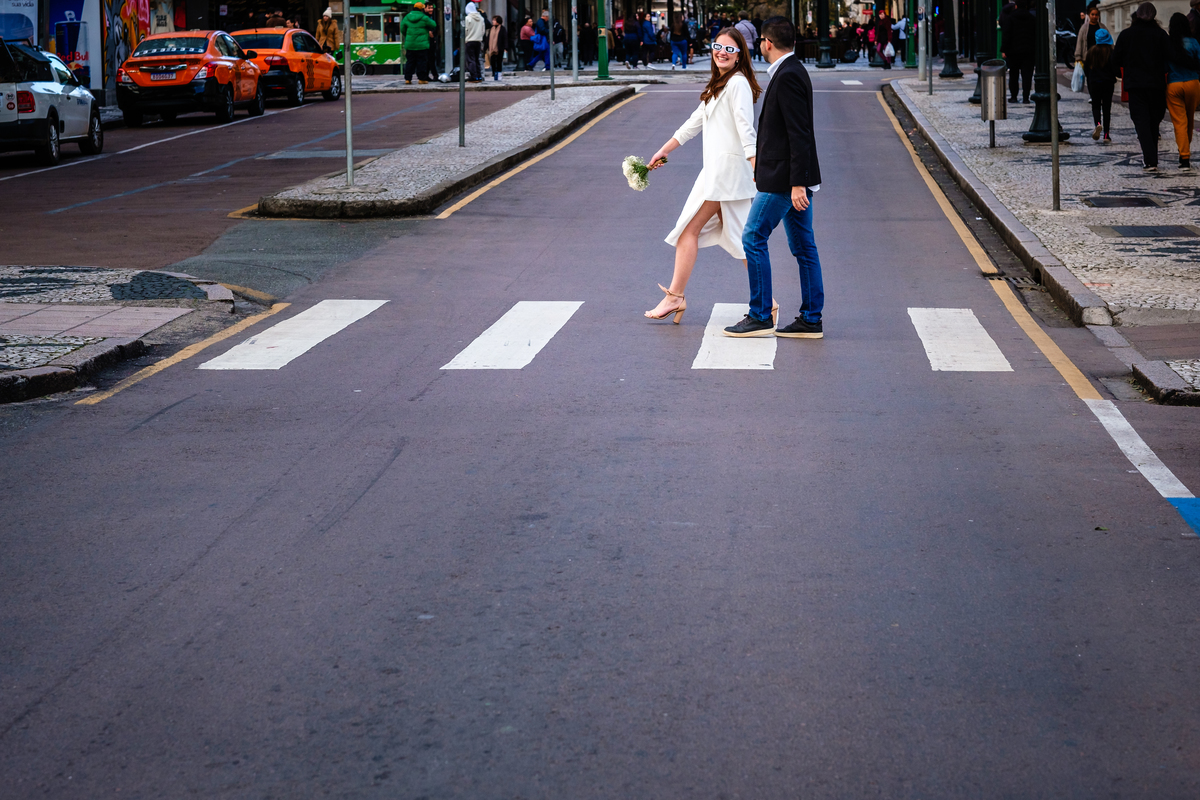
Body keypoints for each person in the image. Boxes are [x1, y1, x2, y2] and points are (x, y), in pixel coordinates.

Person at [641, 28, 761, 323]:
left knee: (690, 232)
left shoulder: (738, 84)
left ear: (739, 55)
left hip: (728, 176)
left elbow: (747, 129)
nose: (722, 52)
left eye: (729, 49)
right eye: (717, 46)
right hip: (719, 175)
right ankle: (766, 301)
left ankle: (675, 296)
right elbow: (692, 124)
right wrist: (663, 151)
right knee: (743, 243)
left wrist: (757, 166)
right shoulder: (720, 84)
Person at [725, 16, 823, 339]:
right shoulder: (791, 71)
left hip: (785, 181)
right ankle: (810, 318)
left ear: (767, 42)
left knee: (753, 237)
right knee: (803, 246)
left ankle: (760, 314)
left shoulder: (788, 76)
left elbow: (799, 134)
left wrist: (797, 183)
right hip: (790, 177)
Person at [1113, 2, 1171, 171]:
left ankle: (1150, 160)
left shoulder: (1126, 35)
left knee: (1141, 121)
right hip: (1156, 84)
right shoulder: (1160, 34)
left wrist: (1122, 73)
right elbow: (1169, 57)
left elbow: (1115, 59)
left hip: (1135, 84)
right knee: (1154, 120)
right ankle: (1152, 158)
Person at [1166, 12, 1200, 170]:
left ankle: (1184, 157)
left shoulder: (1168, 43)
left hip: (1174, 84)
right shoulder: (1193, 43)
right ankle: (1186, 150)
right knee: (1190, 118)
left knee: (1179, 122)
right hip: (1193, 83)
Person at [1084, 28, 1118, 142]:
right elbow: (1115, 68)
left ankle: (1098, 123)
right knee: (1107, 107)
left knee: (1096, 105)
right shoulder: (1111, 51)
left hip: (1094, 82)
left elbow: (1086, 69)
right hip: (1108, 82)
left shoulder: (1091, 51)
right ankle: (1106, 135)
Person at [1001, 0, 1036, 102]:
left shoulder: (1010, 18)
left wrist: (1004, 50)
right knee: (1027, 75)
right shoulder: (1031, 19)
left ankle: (1014, 96)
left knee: (1014, 74)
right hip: (1028, 51)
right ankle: (1026, 97)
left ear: (1016, 6)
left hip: (1013, 51)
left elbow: (1006, 35)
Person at [401, 2, 436, 83]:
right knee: (421, 62)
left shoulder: (407, 16)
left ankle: (408, 79)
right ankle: (422, 79)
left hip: (410, 44)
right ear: (422, 9)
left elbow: (402, 28)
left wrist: (407, 35)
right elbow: (433, 24)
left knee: (410, 61)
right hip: (422, 44)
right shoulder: (424, 17)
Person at [464, 1, 485, 82]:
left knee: (470, 59)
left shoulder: (468, 18)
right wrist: (479, 37)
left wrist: (466, 38)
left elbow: (466, 30)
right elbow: (483, 30)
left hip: (469, 40)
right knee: (476, 59)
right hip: (478, 41)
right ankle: (479, 76)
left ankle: (474, 76)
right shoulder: (481, 18)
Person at [487, 15, 507, 80]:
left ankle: (499, 74)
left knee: (499, 62)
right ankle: (494, 73)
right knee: (492, 61)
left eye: (494, 20)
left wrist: (505, 48)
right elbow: (488, 39)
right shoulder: (491, 29)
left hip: (499, 48)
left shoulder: (502, 29)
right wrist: (486, 47)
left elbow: (505, 38)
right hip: (492, 48)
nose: (493, 21)